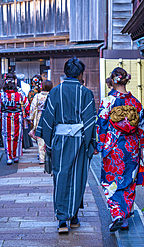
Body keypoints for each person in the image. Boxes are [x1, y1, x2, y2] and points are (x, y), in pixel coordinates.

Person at [36, 58, 97, 234]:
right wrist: (90, 143)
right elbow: (90, 121)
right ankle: (74, 216)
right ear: (80, 74)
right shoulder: (85, 93)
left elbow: (47, 119)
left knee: (61, 177)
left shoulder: (55, 92)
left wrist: (48, 143)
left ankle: (63, 219)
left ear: (66, 72)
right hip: (79, 141)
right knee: (78, 177)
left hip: (60, 141)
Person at [95, 67, 144, 232]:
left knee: (111, 180)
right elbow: (142, 126)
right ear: (126, 80)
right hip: (132, 147)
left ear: (113, 80)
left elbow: (101, 125)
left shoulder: (108, 102)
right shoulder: (135, 102)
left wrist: (99, 145)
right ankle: (125, 218)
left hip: (113, 147)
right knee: (128, 181)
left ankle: (117, 214)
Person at [0, 75, 30, 165]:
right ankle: (16, 156)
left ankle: (9, 157)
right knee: (17, 136)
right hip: (17, 117)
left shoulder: (2, 95)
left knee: (7, 137)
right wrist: (27, 116)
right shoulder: (19, 94)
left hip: (6, 117)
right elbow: (27, 105)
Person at [29, 80, 53, 164]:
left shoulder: (38, 96)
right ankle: (50, 156)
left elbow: (33, 107)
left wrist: (31, 118)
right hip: (50, 117)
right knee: (50, 136)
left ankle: (42, 158)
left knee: (40, 138)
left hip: (39, 117)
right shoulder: (52, 96)